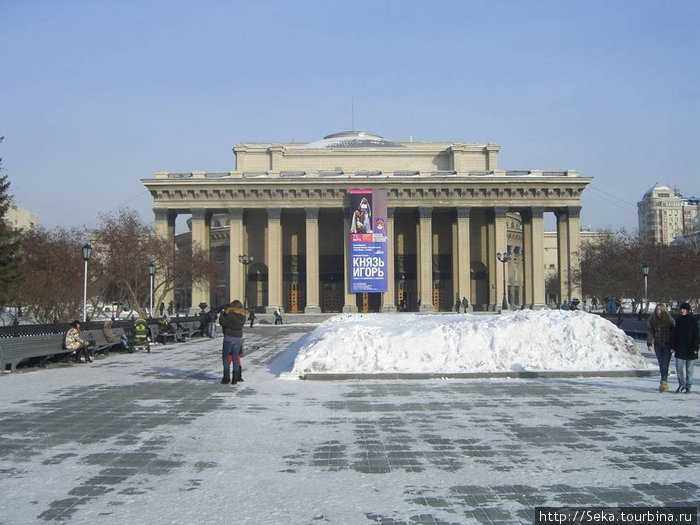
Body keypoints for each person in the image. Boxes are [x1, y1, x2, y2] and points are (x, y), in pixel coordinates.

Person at [670, 302, 699, 393]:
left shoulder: (693, 320)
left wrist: (696, 348)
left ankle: (688, 386)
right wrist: (673, 346)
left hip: (691, 347)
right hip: (680, 347)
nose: (682, 310)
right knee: (679, 367)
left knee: (689, 369)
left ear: (688, 310)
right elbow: (675, 334)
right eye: (681, 309)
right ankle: (681, 384)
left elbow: (697, 334)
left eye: (684, 309)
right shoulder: (678, 320)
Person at [647, 303, 675, 392]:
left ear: (663, 310)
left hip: (667, 344)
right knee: (661, 363)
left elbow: (674, 332)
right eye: (657, 310)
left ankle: (663, 381)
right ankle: (663, 381)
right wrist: (649, 343)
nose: (658, 311)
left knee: (665, 363)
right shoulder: (653, 320)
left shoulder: (669, 320)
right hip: (658, 344)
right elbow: (650, 332)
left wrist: (674, 345)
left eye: (660, 310)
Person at [219, 299, 248, 385]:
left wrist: (223, 314)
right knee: (235, 358)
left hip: (228, 337)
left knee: (225, 357)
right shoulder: (243, 315)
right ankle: (235, 379)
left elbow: (222, 322)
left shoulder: (230, 314)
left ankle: (226, 378)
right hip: (238, 338)